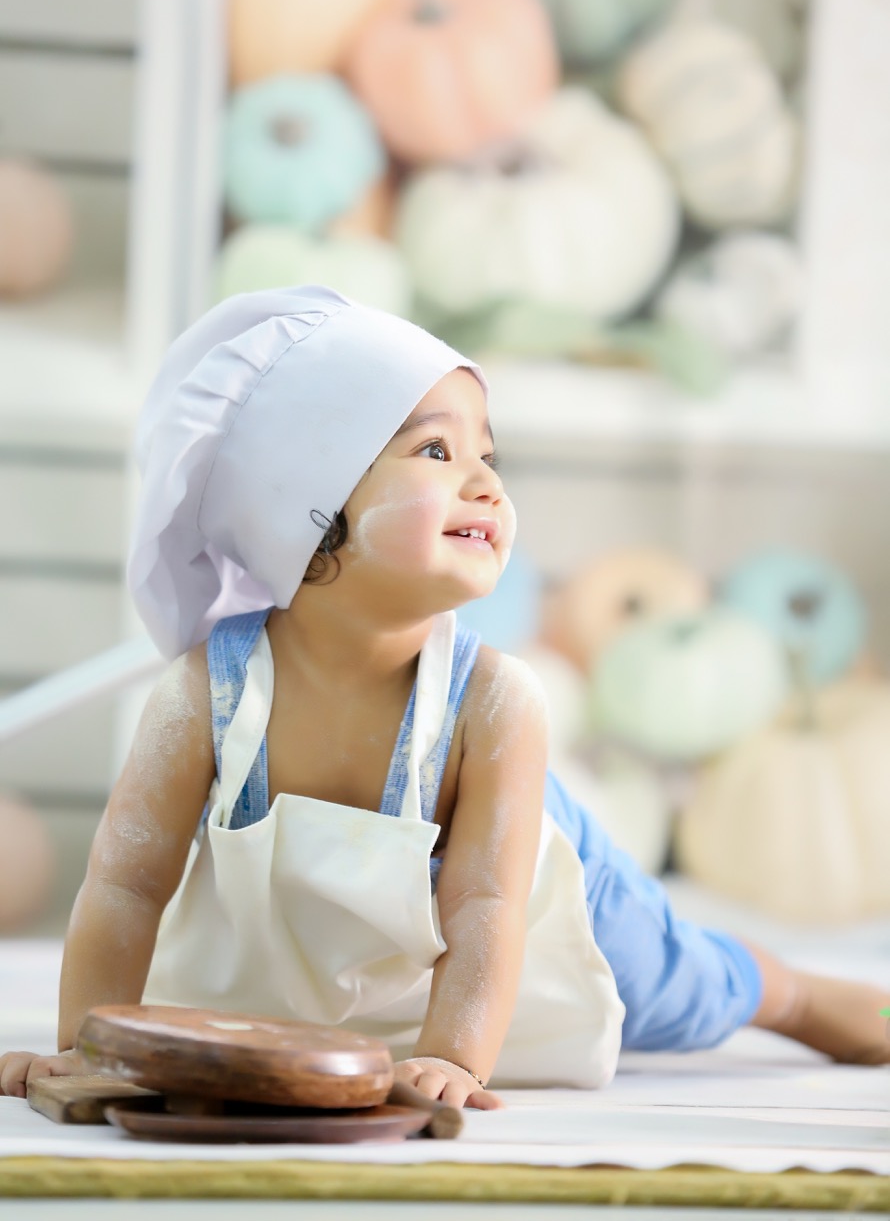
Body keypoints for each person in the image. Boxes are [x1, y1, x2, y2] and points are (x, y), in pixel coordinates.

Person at [2, 287, 887, 1108]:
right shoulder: (205, 695)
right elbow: (124, 886)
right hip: (349, 962)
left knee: (676, 989)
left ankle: (798, 996)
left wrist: (454, 1058)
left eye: (487, 455)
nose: (487, 483)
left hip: (525, 901)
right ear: (303, 515)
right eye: (435, 449)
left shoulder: (495, 702)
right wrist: (89, 1050)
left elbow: (488, 908)